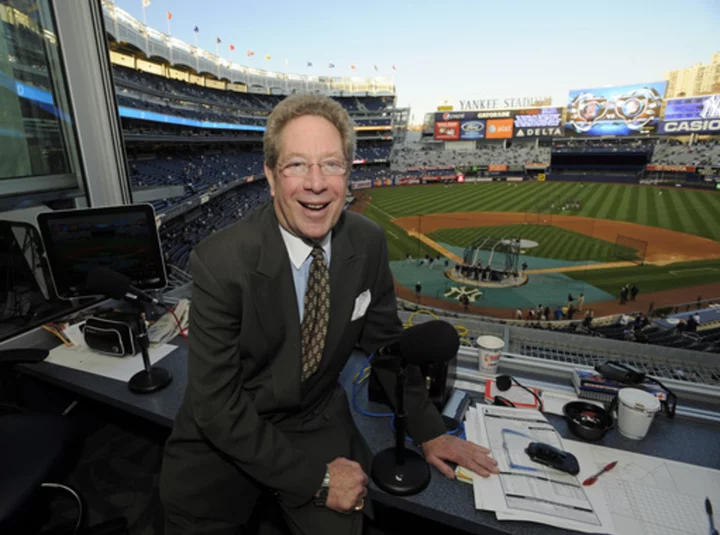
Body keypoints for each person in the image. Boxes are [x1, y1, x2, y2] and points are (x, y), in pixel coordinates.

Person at [159, 94, 498, 535]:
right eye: (296, 165)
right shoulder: (222, 261)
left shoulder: (368, 241)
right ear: (270, 176)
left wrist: (428, 429)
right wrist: (315, 479)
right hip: (224, 437)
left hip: (312, 420)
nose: (315, 183)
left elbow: (387, 346)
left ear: (348, 172)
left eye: (331, 164)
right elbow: (218, 409)